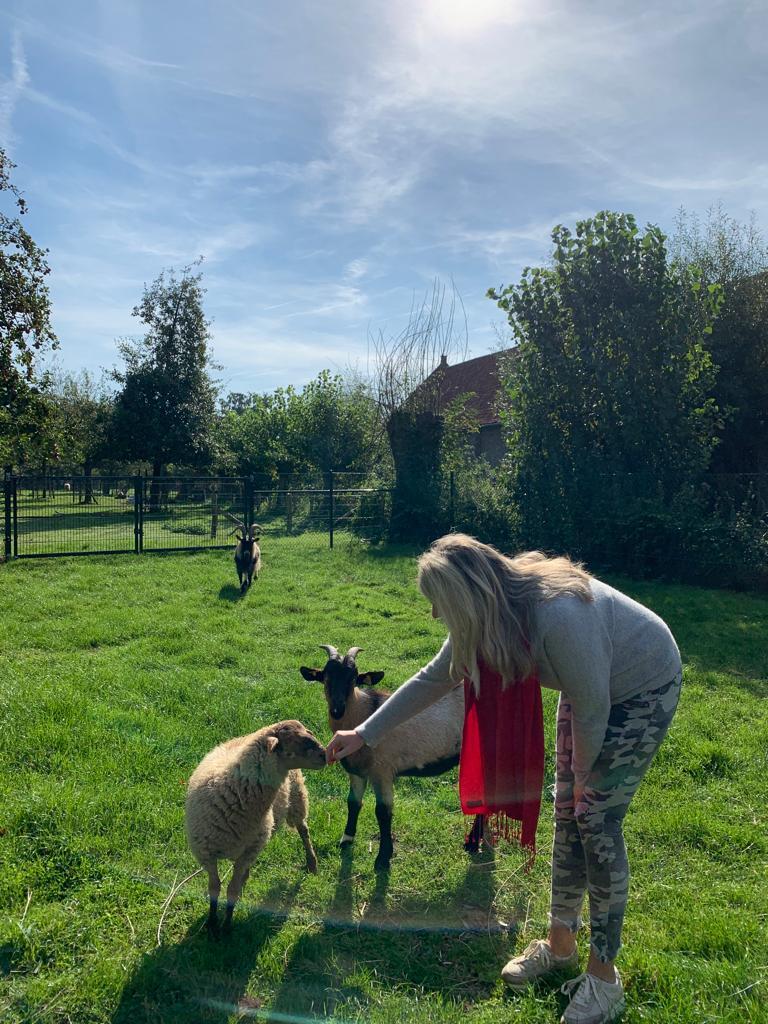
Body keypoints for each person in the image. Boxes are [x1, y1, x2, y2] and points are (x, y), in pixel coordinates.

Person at [326, 534, 682, 1024]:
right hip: (590, 693)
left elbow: (595, 706)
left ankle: (604, 978)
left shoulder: (558, 614)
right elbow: (436, 677)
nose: (434, 617)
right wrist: (363, 733)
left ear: (466, 595)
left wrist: (584, 780)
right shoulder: (489, 611)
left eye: (438, 605)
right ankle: (560, 947)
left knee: (595, 821)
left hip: (640, 686)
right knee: (566, 815)